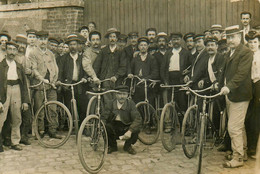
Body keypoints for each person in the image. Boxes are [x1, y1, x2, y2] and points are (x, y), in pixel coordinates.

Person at [220, 25, 253, 168]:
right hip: (230, 94)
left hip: (239, 94)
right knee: (239, 126)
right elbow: (225, 72)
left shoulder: (245, 52)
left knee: (233, 127)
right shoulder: (230, 52)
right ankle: (242, 152)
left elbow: (241, 74)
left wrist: (228, 87)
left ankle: (238, 158)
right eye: (228, 37)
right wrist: (220, 83)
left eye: (233, 37)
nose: (230, 40)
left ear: (239, 37)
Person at [29, 31, 60, 139]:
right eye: (41, 39)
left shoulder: (50, 53)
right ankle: (40, 130)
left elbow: (55, 68)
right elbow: (34, 69)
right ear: (37, 40)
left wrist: (53, 81)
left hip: (50, 86)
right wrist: (42, 79)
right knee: (40, 110)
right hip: (39, 85)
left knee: (53, 108)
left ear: (47, 40)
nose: (43, 42)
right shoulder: (33, 53)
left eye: (44, 39)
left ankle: (52, 130)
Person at [0, 41, 30, 152]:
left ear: (16, 51)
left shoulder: (19, 66)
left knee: (17, 118)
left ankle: (15, 142)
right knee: (1, 118)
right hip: (4, 91)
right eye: (10, 49)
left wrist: (25, 101)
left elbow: (24, 85)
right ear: (6, 50)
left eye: (14, 50)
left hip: (17, 90)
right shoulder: (1, 66)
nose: (12, 52)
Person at [102, 85, 142, 155]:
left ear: (127, 95)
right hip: (114, 127)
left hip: (126, 127)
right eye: (119, 94)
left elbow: (137, 119)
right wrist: (102, 127)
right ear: (116, 95)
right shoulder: (110, 103)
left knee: (136, 128)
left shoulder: (130, 104)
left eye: (124, 94)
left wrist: (130, 131)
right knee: (107, 127)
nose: (122, 96)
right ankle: (112, 146)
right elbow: (104, 117)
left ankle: (128, 146)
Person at [57, 34, 87, 124]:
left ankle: (83, 127)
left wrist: (85, 78)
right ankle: (69, 126)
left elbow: (86, 70)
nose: (73, 46)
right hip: (68, 85)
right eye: (70, 45)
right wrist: (60, 81)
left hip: (80, 85)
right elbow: (60, 71)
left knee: (82, 107)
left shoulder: (82, 58)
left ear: (78, 45)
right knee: (68, 106)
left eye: (74, 44)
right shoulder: (64, 58)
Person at [161, 32, 192, 115]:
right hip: (170, 80)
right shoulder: (168, 53)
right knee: (170, 102)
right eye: (174, 39)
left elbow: (192, 67)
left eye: (177, 39)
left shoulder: (186, 53)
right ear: (171, 41)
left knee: (182, 103)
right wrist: (165, 81)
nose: (176, 41)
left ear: (181, 40)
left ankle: (183, 123)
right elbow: (163, 69)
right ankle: (171, 122)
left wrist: (188, 75)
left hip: (181, 80)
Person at [93, 28, 126, 103]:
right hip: (106, 80)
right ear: (108, 38)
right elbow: (97, 65)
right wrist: (94, 77)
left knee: (116, 100)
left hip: (117, 81)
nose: (112, 39)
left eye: (114, 37)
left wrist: (116, 76)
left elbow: (123, 67)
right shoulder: (103, 51)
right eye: (110, 37)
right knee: (107, 101)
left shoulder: (121, 51)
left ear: (116, 38)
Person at [128, 37, 159, 104]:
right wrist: (130, 73)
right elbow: (130, 68)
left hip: (148, 86)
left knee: (148, 102)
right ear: (138, 47)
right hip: (137, 85)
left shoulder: (152, 58)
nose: (143, 47)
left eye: (145, 45)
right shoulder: (135, 58)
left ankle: (149, 113)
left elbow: (155, 73)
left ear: (148, 47)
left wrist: (146, 79)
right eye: (141, 45)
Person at [245, 31, 260, 158]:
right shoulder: (246, 56)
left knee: (256, 116)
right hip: (248, 86)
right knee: (248, 116)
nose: (252, 44)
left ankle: (253, 147)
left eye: (255, 42)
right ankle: (250, 146)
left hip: (259, 85)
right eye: (250, 42)